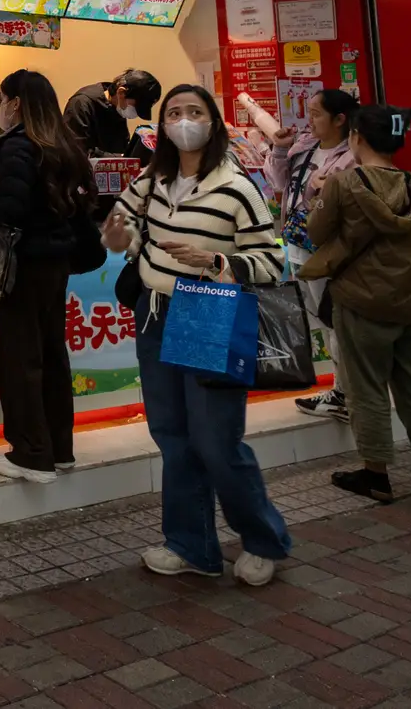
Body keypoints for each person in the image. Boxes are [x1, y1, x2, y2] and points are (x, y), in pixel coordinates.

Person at [101, 84, 291, 586]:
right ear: (162, 126)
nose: (184, 121)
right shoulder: (153, 178)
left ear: (214, 122)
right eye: (175, 114)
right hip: (154, 311)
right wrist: (119, 234)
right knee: (173, 436)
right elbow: (120, 223)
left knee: (215, 440)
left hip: (208, 312)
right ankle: (192, 546)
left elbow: (272, 262)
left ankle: (262, 539)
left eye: (195, 112)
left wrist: (217, 261)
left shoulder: (237, 187)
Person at [0, 71, 98, 485]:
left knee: (20, 359)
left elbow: (11, 209)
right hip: (56, 265)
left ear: (17, 103)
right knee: (51, 356)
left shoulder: (17, 146)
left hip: (25, 266)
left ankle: (32, 455)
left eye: (2, 100)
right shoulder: (62, 143)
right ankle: (59, 449)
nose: (0, 108)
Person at [300, 105, 411, 508]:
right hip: (410, 299)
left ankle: (376, 475)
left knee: (365, 388)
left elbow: (316, 232)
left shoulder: (344, 183)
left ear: (358, 138)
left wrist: (316, 192)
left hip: (360, 299)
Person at [263, 89, 361, 421]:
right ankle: (342, 390)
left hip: (328, 251)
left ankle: (346, 395)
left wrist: (318, 188)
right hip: (297, 245)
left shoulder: (353, 156)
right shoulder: (305, 146)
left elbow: (335, 203)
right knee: (323, 320)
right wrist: (279, 148)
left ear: (340, 119)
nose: (310, 119)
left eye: (317, 113)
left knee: (335, 322)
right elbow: (278, 183)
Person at [65, 69, 161, 157]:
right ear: (121, 92)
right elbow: (76, 151)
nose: (135, 113)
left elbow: (121, 148)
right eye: (136, 107)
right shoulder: (82, 103)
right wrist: (119, 159)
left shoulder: (117, 108)